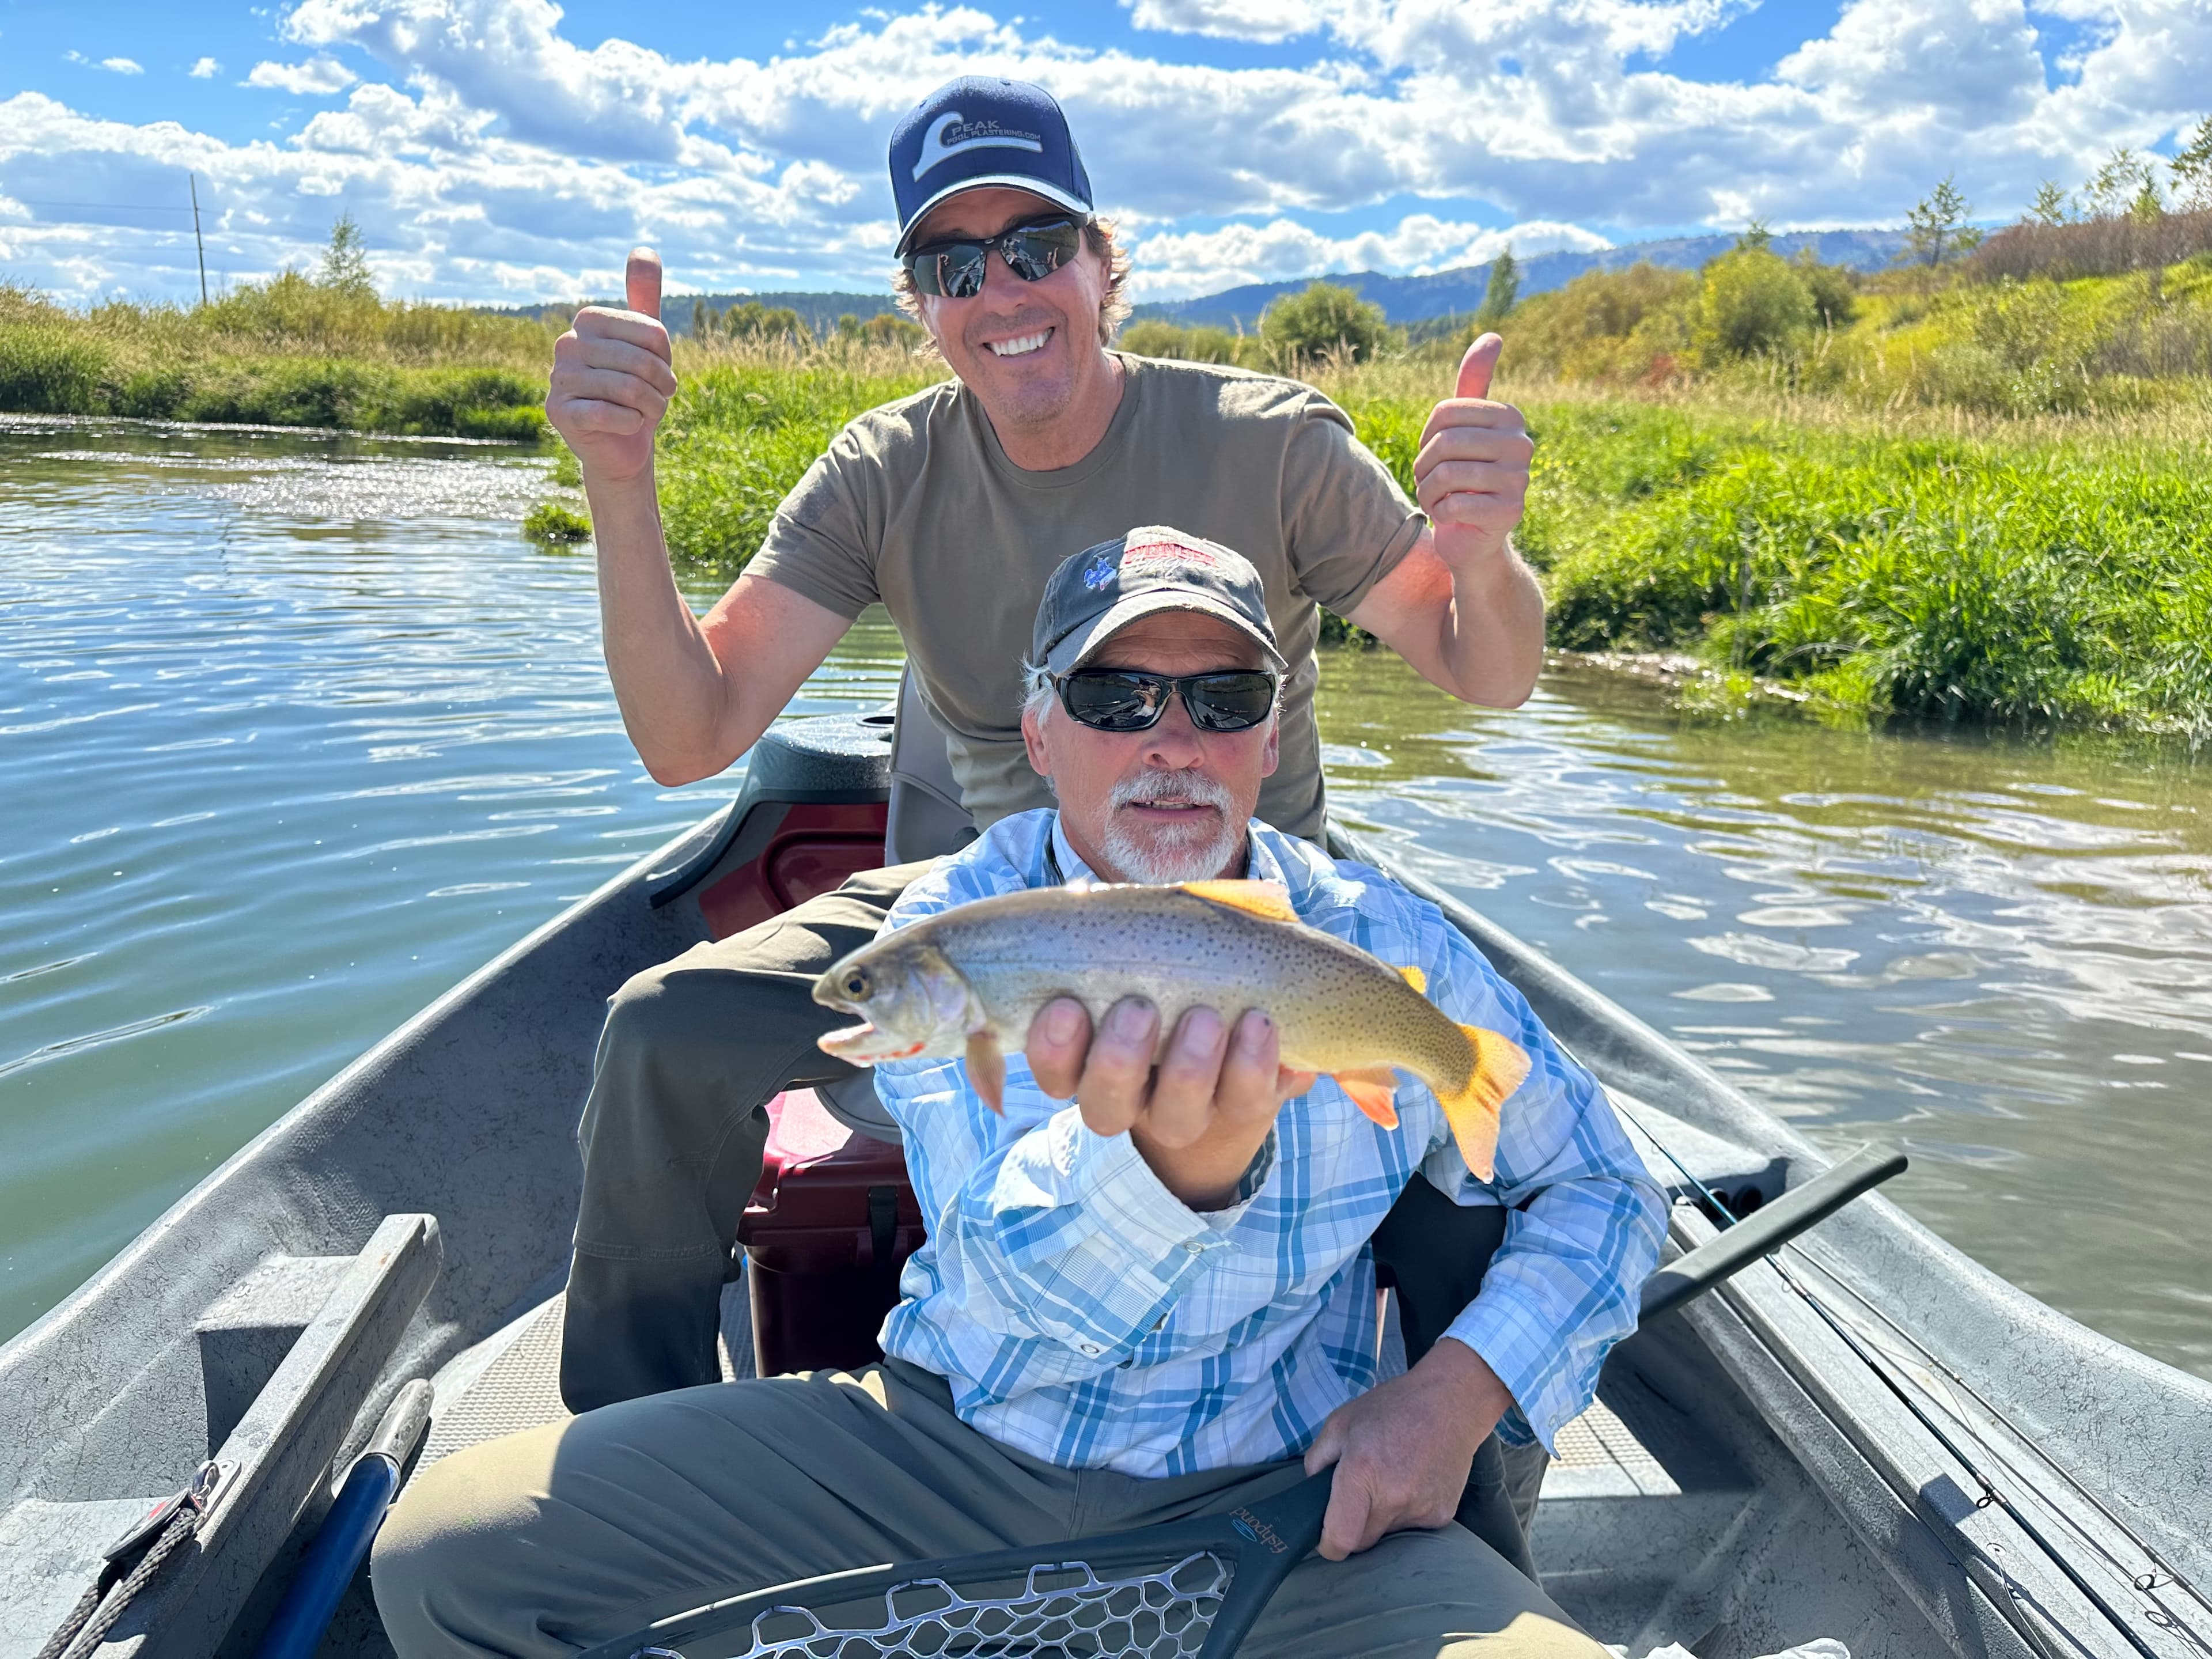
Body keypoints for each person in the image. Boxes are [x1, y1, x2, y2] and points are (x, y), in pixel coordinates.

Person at [372, 536, 1666, 1659]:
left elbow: (1607, 1190)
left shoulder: (1391, 949)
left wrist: (1456, 1393)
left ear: (1272, 737)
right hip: (952, 1448)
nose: (1174, 739)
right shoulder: (959, 932)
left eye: (1223, 696)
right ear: (1040, 730)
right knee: (445, 1563)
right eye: (1117, 694)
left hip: (1291, 1501)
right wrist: (1170, 1170)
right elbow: (1027, 1296)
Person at [546, 74, 1548, 1422]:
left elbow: (1482, 669)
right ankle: (639, 1442)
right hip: (997, 908)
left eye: (1035, 247)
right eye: (954, 265)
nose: (1003, 293)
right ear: (921, 304)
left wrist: (1482, 560)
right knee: (663, 1031)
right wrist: (619, 486)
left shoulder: (1275, 445)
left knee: (1442, 1152)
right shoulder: (881, 472)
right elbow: (690, 734)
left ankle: (1448, 1481)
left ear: (1101, 261)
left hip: (1254, 904)